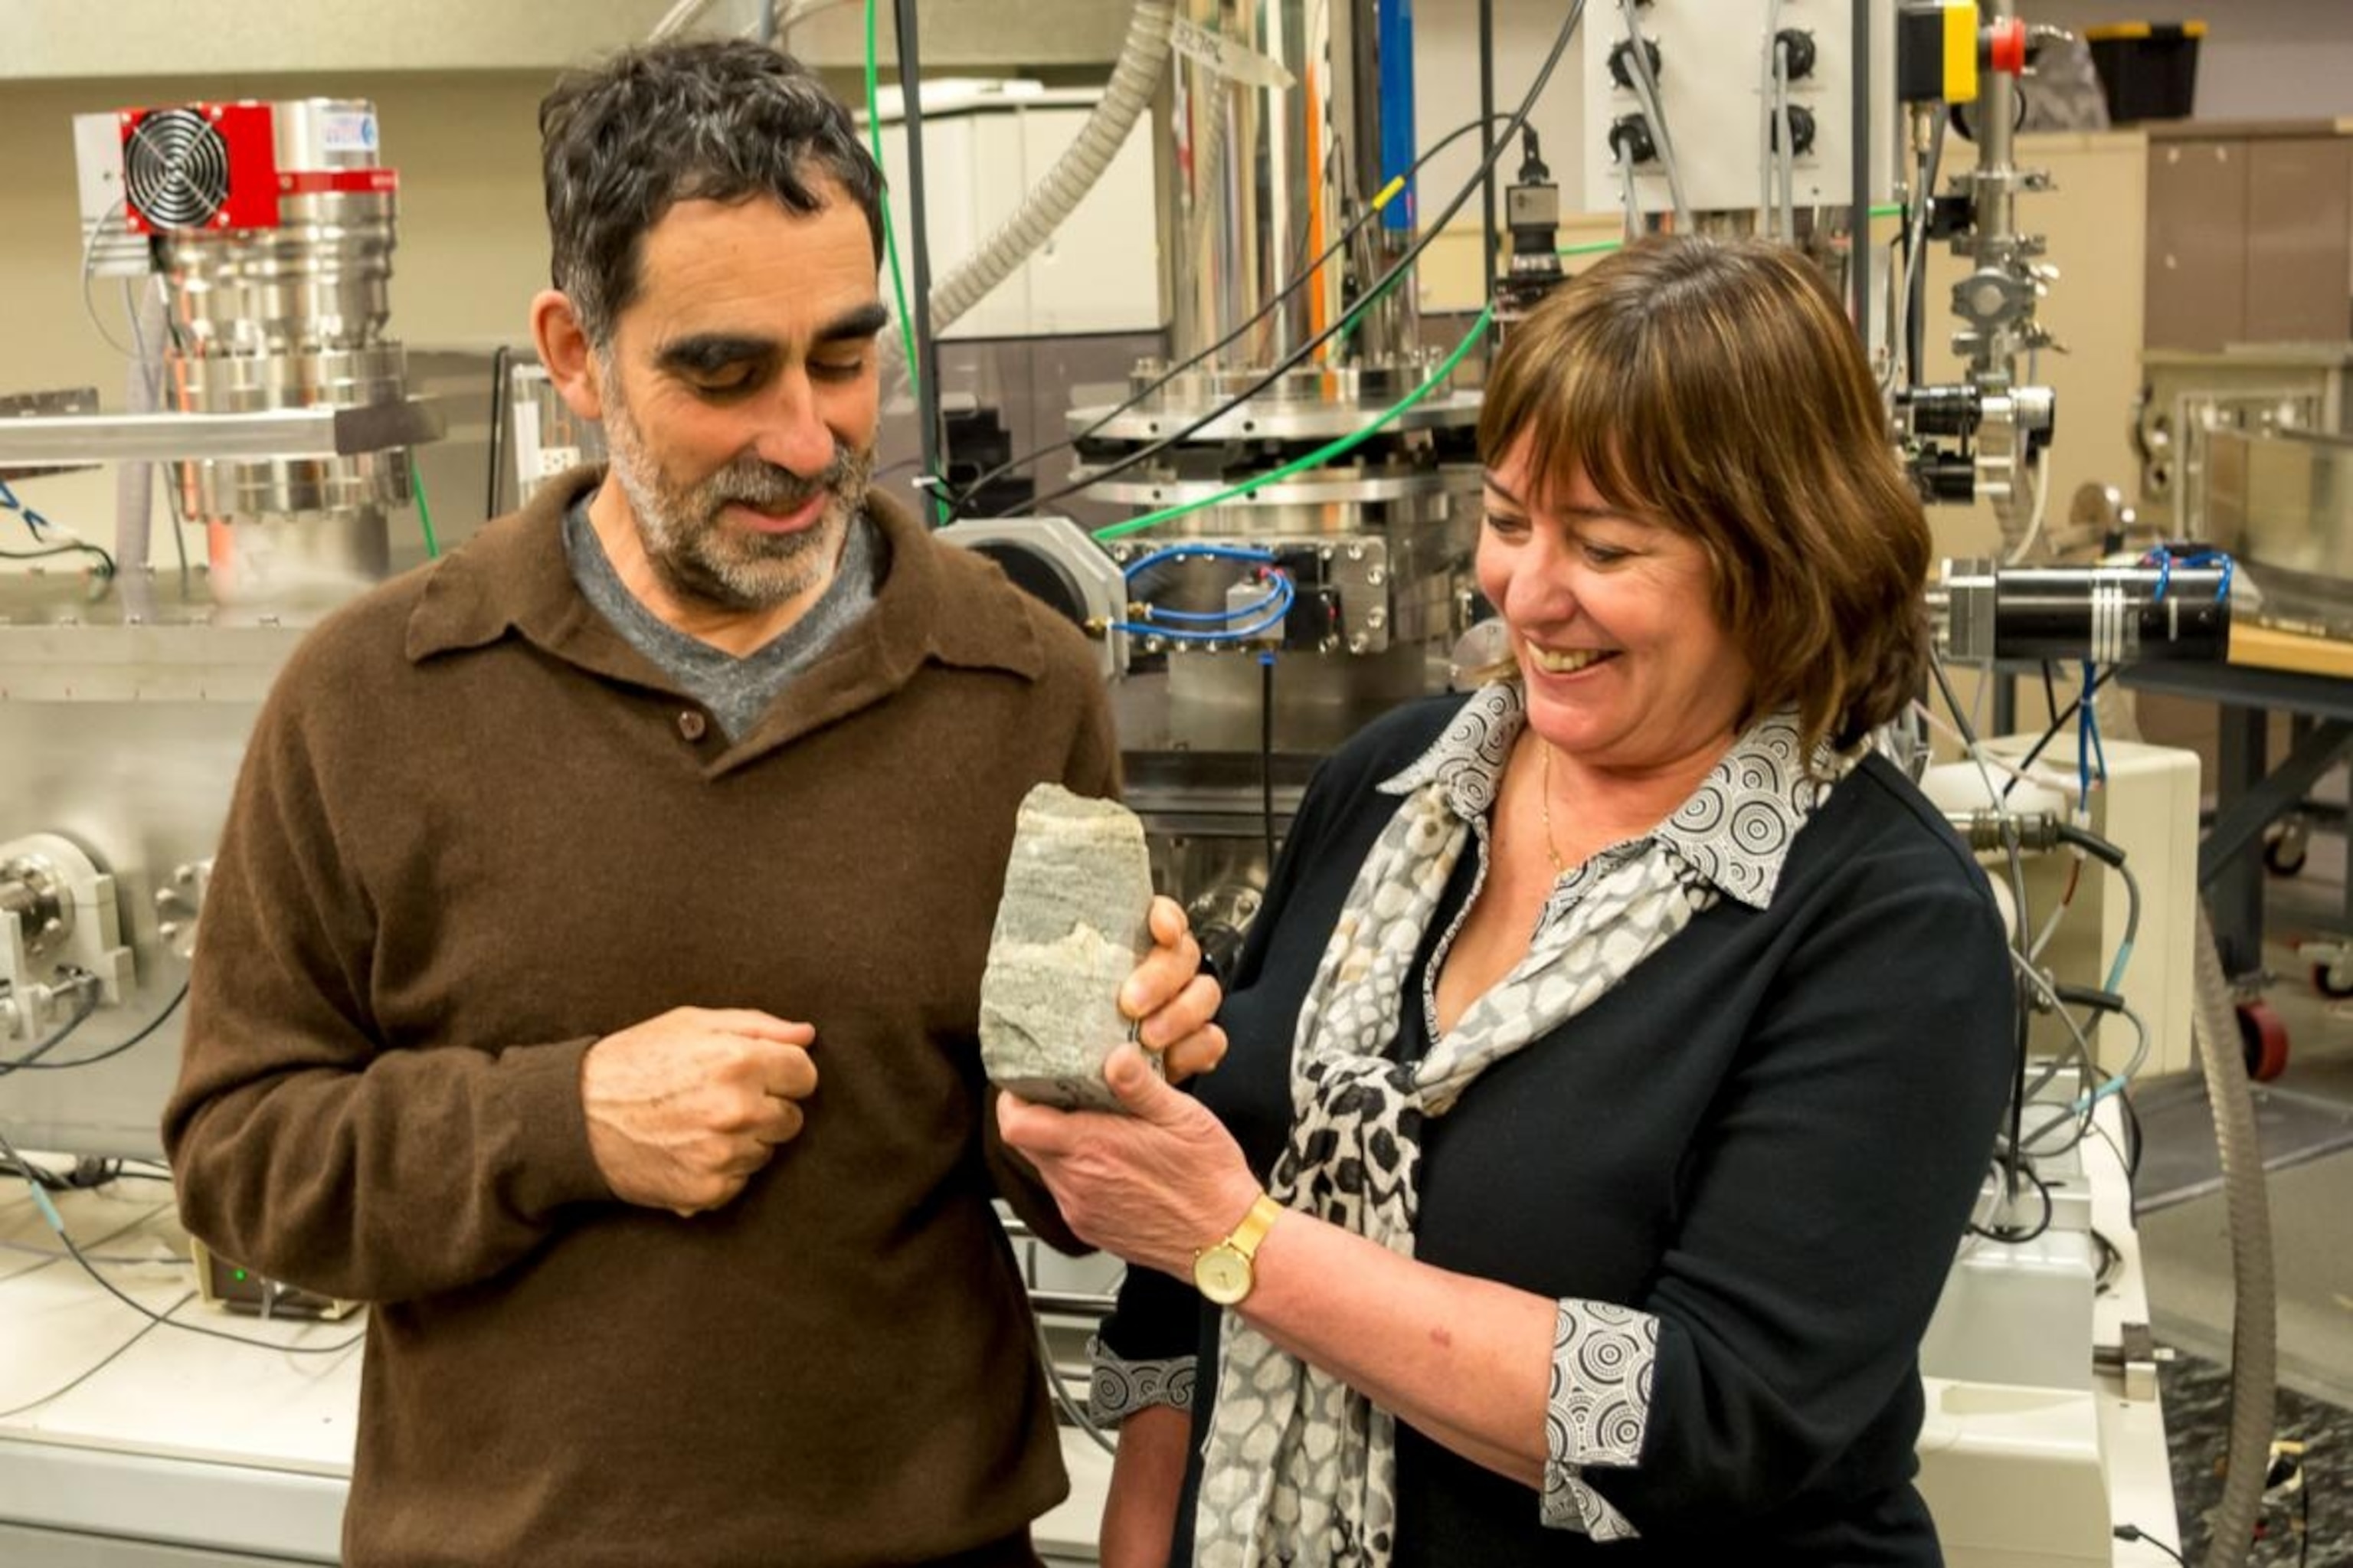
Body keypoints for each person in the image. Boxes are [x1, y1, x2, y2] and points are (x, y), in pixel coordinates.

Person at [162, 38, 1222, 1568]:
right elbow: (238, 1156)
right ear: (576, 354)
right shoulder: (372, 696)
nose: (806, 441)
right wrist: (561, 1119)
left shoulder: (1015, 682)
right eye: (723, 373)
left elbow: (1061, 1191)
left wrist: (1115, 1092)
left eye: (844, 359)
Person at [1000, 235, 2018, 1566]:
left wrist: (1236, 1238)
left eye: (1603, 544)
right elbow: (1177, 1281)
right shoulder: (1391, 790)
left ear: (1782, 559)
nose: (1528, 594)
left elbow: (1703, 1424)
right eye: (1510, 518)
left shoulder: (1885, 928)